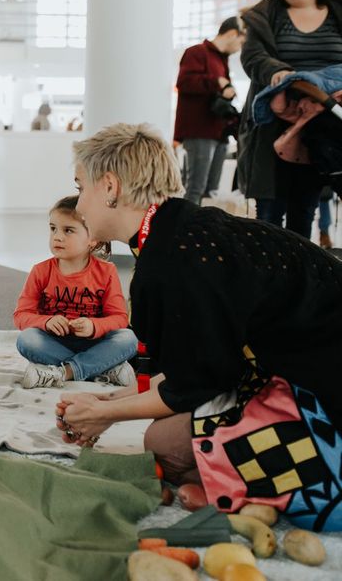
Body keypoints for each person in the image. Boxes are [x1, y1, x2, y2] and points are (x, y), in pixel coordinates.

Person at [56, 123, 342, 531]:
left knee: (164, 444)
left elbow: (194, 385)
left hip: (324, 394)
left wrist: (108, 415)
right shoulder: (180, 230)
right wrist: (106, 403)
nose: (79, 205)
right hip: (298, 367)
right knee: (172, 434)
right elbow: (193, 362)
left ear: (110, 187)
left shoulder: (172, 262)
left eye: (80, 187)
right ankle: (231, 480)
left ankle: (259, 485)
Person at [238, 0, 342, 237]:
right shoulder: (266, 15)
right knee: (269, 213)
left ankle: (300, 277)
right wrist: (277, 72)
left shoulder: (338, 10)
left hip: (325, 122)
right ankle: (268, 279)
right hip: (275, 123)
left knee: (305, 209)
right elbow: (253, 57)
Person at [13, 196, 138, 389]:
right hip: (54, 343)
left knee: (128, 339)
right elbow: (21, 316)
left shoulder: (107, 271)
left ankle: (63, 373)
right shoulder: (40, 271)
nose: (57, 236)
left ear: (92, 239)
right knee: (26, 339)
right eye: (53, 228)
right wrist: (46, 321)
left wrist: (93, 326)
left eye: (68, 230)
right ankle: (103, 370)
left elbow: (119, 318)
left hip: (95, 344)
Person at [173, 16, 246, 205]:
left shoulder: (222, 61)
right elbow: (184, 82)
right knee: (195, 188)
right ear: (231, 34)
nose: (240, 47)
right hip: (199, 131)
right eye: (241, 41)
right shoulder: (197, 52)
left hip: (218, 133)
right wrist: (218, 83)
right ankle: (185, 232)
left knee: (210, 190)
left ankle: (199, 231)